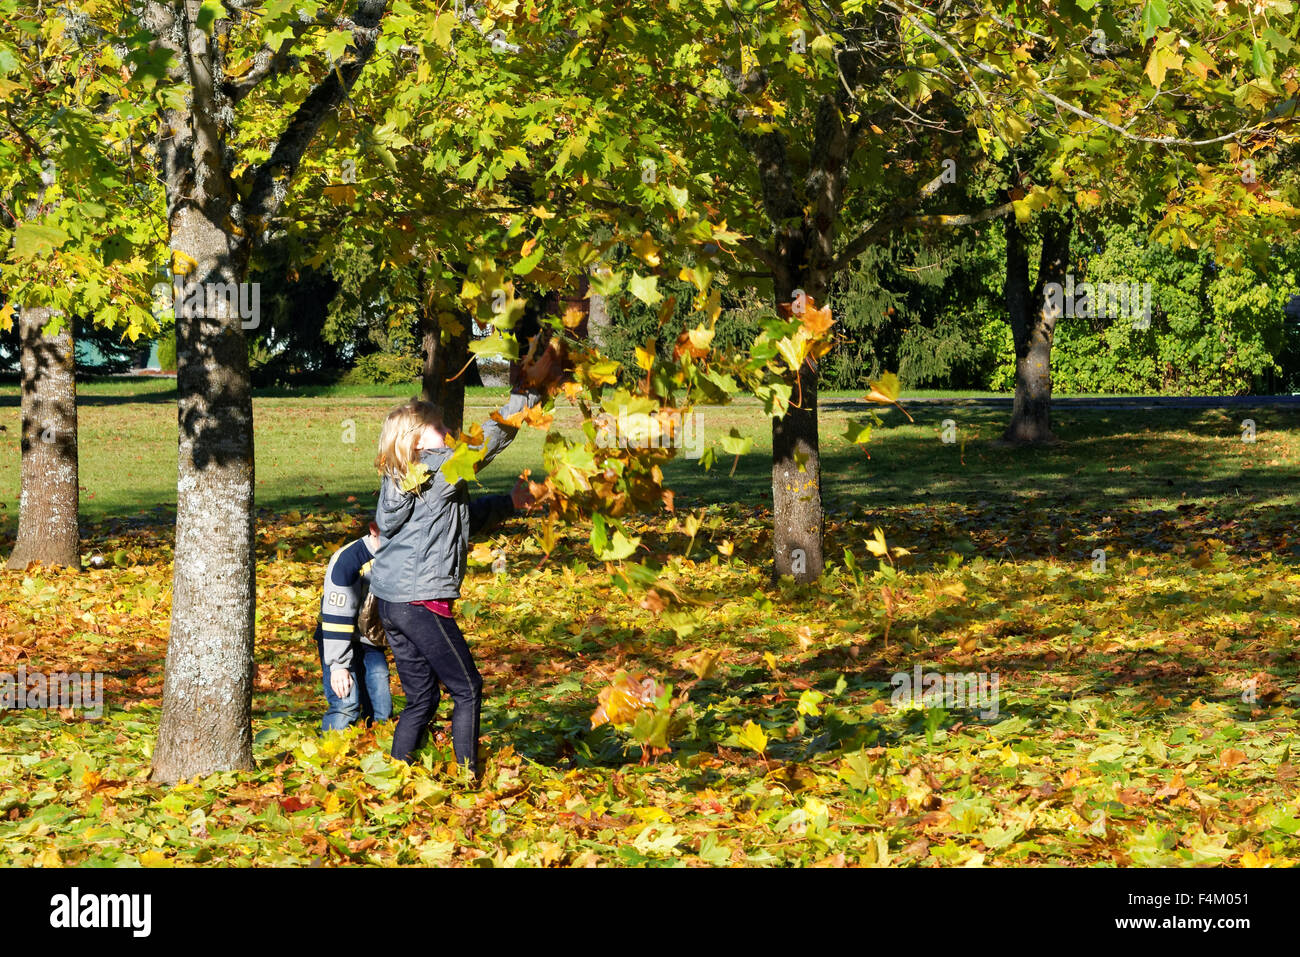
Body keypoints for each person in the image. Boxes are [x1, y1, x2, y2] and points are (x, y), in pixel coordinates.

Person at [369, 346, 561, 776]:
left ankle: (397, 776)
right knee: (468, 688)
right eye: (439, 427)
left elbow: (457, 522)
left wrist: (509, 503)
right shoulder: (440, 467)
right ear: (416, 439)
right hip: (419, 602)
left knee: (422, 698)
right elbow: (491, 438)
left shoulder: (403, 478)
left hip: (392, 602)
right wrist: (529, 394)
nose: (449, 431)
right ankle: (468, 778)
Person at [315, 522, 392, 731]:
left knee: (381, 708)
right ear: (374, 529)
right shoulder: (348, 560)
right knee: (346, 703)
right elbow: (335, 616)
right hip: (337, 637)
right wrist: (339, 666)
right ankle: (331, 756)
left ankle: (377, 754)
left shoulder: (399, 557)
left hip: (369, 639)